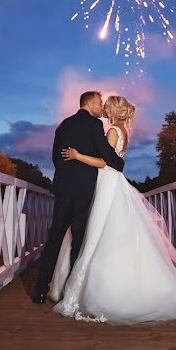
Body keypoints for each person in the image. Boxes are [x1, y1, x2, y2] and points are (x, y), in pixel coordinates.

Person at [48, 95, 176, 324]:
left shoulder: (113, 131)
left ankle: (97, 290)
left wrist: (78, 156)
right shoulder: (122, 131)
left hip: (107, 182)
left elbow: (104, 162)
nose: (103, 108)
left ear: (115, 111)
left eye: (107, 106)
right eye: (101, 105)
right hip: (114, 183)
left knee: (97, 231)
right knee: (106, 231)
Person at [32, 90, 125, 304]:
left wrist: (68, 172)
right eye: (100, 103)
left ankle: (40, 290)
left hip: (63, 186)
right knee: (78, 239)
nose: (101, 107)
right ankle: (71, 291)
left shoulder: (63, 124)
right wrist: (118, 164)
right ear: (90, 103)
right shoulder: (94, 125)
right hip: (84, 189)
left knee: (54, 237)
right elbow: (104, 151)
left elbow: (56, 157)